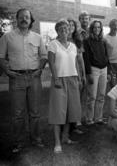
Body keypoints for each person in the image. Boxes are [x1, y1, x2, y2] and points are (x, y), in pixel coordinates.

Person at [0, 8, 47, 153]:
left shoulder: (38, 37)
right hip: (16, 78)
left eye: (27, 17)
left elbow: (44, 55)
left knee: (35, 112)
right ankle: (19, 142)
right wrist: (7, 71)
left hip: (34, 77)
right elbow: (1, 57)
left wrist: (40, 70)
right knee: (18, 113)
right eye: (21, 17)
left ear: (30, 19)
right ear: (17, 19)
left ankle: (36, 139)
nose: (24, 19)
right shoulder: (7, 37)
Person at [48, 19, 81, 153]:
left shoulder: (73, 46)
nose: (64, 31)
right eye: (61, 29)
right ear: (57, 31)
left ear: (69, 31)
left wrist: (78, 77)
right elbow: (51, 63)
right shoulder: (53, 44)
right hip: (59, 79)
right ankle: (57, 143)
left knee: (70, 110)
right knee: (58, 111)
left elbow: (76, 63)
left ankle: (65, 137)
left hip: (72, 79)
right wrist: (55, 78)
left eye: (66, 29)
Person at [83, 20, 109, 125]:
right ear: (91, 29)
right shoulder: (87, 41)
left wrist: (108, 70)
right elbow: (86, 58)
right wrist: (88, 73)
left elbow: (106, 55)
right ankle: (89, 118)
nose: (97, 29)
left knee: (102, 95)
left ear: (101, 29)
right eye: (95, 27)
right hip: (93, 69)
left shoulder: (103, 41)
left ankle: (98, 118)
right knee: (92, 96)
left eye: (99, 27)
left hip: (104, 69)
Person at [67, 18, 86, 134]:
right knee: (67, 101)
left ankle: (73, 126)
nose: (70, 27)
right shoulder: (59, 41)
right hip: (66, 74)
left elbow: (81, 59)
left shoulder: (77, 41)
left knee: (76, 101)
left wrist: (83, 75)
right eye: (68, 25)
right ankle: (65, 126)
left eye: (72, 26)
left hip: (77, 73)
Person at [104, 19, 117, 88]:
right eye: (113, 25)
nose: (115, 27)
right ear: (110, 26)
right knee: (113, 86)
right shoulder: (105, 38)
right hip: (110, 64)